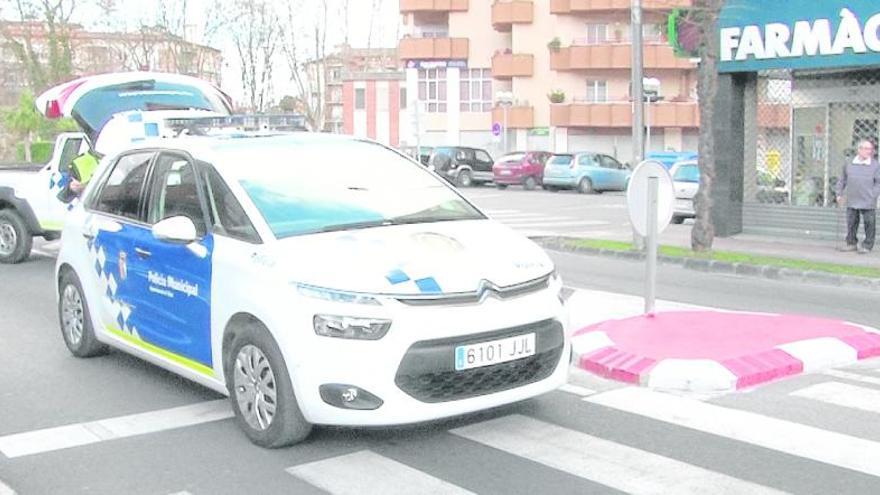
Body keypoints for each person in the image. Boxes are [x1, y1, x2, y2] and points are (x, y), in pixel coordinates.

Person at [836, 140, 880, 254]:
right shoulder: (849, 163)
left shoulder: (875, 165)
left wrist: (873, 194)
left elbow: (878, 182)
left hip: (868, 199)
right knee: (851, 221)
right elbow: (842, 180)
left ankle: (867, 245)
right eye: (866, 149)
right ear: (859, 150)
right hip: (852, 197)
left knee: (869, 222)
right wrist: (839, 193)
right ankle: (851, 243)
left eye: (870, 149)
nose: (869, 151)